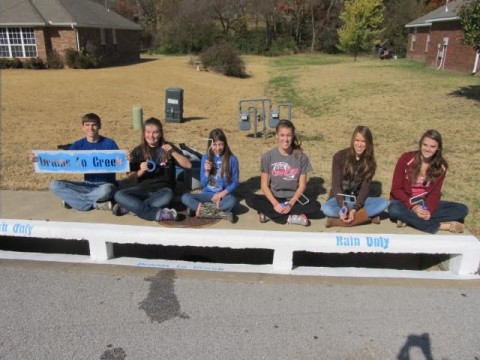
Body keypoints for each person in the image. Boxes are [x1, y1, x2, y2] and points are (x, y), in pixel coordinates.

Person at [32, 113, 119, 211]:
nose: (90, 128)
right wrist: (39, 159)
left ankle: (74, 201)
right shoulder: (79, 144)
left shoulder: (109, 143)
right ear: (83, 127)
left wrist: (126, 158)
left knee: (107, 190)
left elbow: (119, 162)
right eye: (87, 125)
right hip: (86, 185)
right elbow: (64, 161)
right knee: (55, 185)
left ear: (99, 126)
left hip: (104, 185)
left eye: (94, 125)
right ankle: (95, 205)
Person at [388, 129, 468, 233]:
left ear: (438, 148)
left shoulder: (442, 166)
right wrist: (414, 207)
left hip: (424, 202)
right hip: (404, 201)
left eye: (432, 146)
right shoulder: (405, 158)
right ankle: (440, 226)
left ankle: (408, 219)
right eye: (425, 145)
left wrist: (428, 211)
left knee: (462, 209)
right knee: (394, 209)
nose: (427, 149)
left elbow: (435, 193)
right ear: (420, 144)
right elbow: (396, 189)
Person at [113, 117, 191, 222]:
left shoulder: (168, 147)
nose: (151, 136)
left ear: (160, 133)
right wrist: (141, 171)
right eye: (148, 132)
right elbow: (130, 177)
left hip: (163, 191)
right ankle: (159, 214)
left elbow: (188, 165)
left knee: (168, 196)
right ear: (144, 133)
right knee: (118, 195)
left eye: (155, 132)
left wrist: (173, 152)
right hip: (141, 190)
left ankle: (131, 209)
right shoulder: (138, 150)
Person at [246, 119, 319, 226]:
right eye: (282, 135)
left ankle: (269, 214)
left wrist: (290, 204)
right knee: (250, 199)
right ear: (276, 136)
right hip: (274, 198)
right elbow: (264, 186)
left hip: (293, 199)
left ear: (293, 136)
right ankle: (291, 218)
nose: (285, 139)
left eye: (289, 135)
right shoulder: (268, 157)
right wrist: (275, 204)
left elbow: (302, 186)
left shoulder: (302, 157)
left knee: (316, 206)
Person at [322, 126, 388, 227]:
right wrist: (343, 207)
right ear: (353, 140)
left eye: (363, 141)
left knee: (384, 203)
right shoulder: (339, 156)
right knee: (326, 209)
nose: (359, 144)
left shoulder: (370, 162)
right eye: (357, 140)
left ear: (368, 143)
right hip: (339, 200)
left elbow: (364, 190)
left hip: (357, 201)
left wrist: (354, 209)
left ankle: (339, 220)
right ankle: (365, 217)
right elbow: (336, 186)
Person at [181, 128, 239, 223]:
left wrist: (222, 193)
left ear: (225, 144)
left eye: (220, 144)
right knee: (185, 197)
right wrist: (207, 172)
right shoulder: (205, 157)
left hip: (222, 196)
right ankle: (222, 213)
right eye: (214, 145)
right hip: (206, 195)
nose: (217, 148)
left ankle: (198, 209)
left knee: (232, 201)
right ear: (210, 145)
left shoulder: (232, 159)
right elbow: (203, 184)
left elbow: (235, 182)